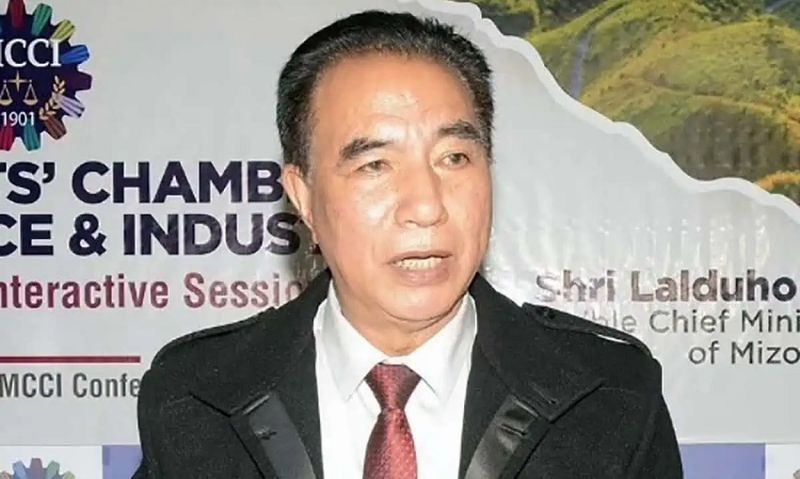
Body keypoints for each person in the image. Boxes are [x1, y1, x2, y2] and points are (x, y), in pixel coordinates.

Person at [132, 9, 682, 479]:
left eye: (454, 158)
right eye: (375, 164)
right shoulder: (196, 401)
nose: (426, 205)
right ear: (303, 197)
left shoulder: (608, 399)